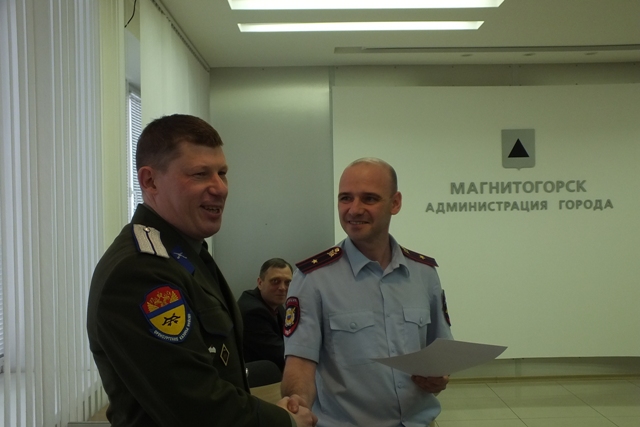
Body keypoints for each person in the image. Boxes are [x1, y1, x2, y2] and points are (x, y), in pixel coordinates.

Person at [87, 114, 316, 427]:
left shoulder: (187, 254)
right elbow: (194, 404)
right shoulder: (140, 271)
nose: (220, 188)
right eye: (199, 174)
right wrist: (284, 422)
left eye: (222, 173)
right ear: (150, 181)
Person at [281, 158, 453, 427]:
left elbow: (439, 352)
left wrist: (440, 376)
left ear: (395, 203)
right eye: (345, 198)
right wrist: (297, 401)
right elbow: (300, 362)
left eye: (369, 198)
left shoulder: (424, 274)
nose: (354, 209)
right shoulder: (313, 279)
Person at [237, 258, 293, 372]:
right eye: (275, 281)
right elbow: (281, 354)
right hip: (258, 379)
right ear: (260, 283)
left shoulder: (276, 305)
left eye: (288, 282)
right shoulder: (252, 313)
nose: (283, 288)